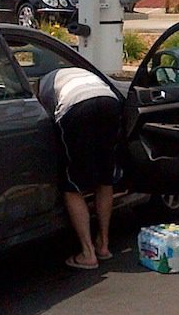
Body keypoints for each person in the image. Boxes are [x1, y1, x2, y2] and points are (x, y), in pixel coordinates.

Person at [37, 66, 121, 269]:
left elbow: (48, 118)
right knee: (104, 177)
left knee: (71, 183)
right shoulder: (76, 71)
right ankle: (103, 245)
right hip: (109, 101)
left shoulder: (43, 87)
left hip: (77, 107)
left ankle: (87, 253)